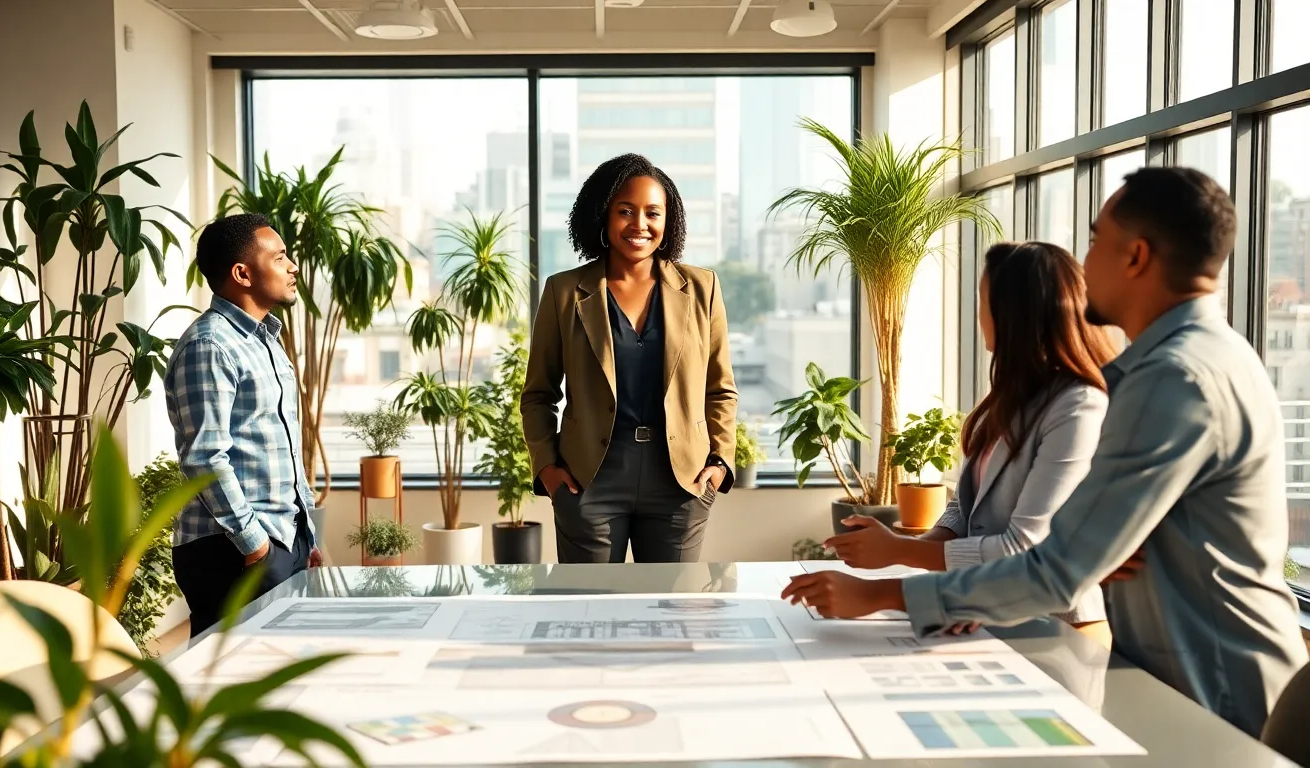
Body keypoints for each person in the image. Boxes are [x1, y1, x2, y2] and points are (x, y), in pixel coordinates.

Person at [782, 167, 1308, 737]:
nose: (1083, 265)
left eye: (1094, 240)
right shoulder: (1202, 359)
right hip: (1195, 673)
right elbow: (1084, 551)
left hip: (1215, 689)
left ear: (1135, 256)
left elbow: (1054, 568)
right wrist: (1093, 553)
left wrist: (880, 592)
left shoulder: (1172, 379)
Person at [826, 241, 1116, 637]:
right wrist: (905, 547)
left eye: (982, 300)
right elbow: (965, 508)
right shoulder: (1011, 395)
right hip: (986, 615)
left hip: (1060, 628)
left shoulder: (1078, 405)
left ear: (1011, 313)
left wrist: (899, 552)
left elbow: (1023, 547)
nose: (977, 315)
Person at [521, 153, 738, 564]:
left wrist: (720, 462)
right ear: (602, 215)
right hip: (591, 480)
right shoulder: (565, 292)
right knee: (589, 615)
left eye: (652, 213)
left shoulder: (702, 287)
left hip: (681, 480)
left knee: (673, 615)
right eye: (625, 211)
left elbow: (720, 387)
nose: (640, 225)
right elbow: (538, 394)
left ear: (667, 221)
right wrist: (547, 469)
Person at [165, 213, 322, 637]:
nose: (293, 267)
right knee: (230, 684)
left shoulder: (265, 340)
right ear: (243, 273)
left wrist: (306, 535)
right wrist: (255, 546)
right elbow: (204, 458)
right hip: (231, 552)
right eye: (281, 257)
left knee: (280, 678)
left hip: (279, 542)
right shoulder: (210, 345)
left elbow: (282, 445)